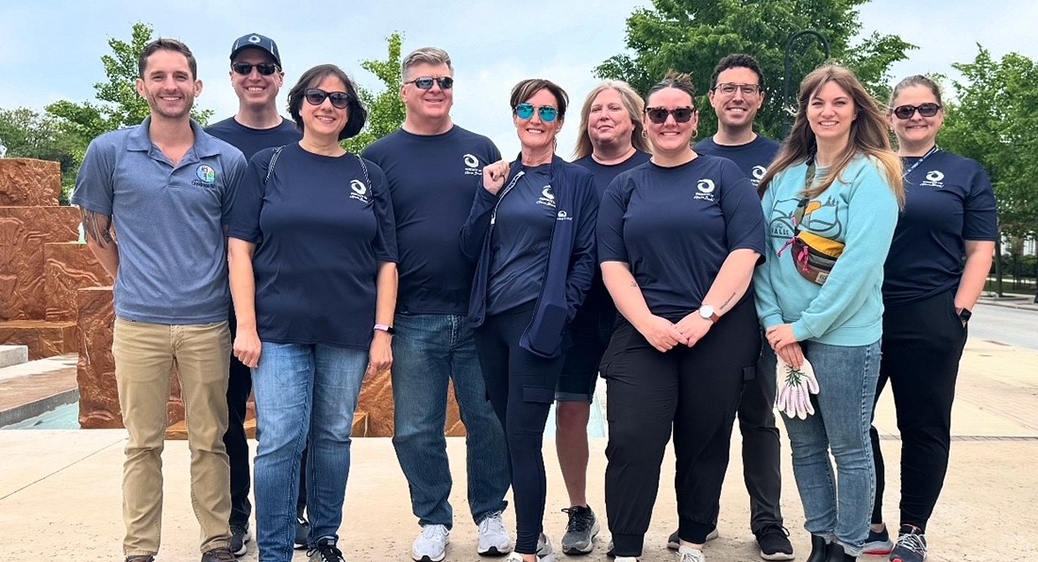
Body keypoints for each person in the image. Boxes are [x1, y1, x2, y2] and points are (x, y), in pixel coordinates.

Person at [72, 38, 246, 562]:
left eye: (180, 77)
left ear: (197, 87)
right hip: (139, 323)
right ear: (142, 86)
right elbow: (96, 229)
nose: (170, 86)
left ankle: (216, 540)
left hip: (207, 323)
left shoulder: (227, 159)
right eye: (160, 76)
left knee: (209, 441)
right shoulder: (109, 151)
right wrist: (130, 282)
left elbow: (236, 245)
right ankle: (140, 549)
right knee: (141, 444)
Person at [228, 64, 397, 562]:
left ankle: (324, 538)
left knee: (331, 438)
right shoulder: (267, 164)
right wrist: (247, 327)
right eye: (318, 96)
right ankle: (275, 551)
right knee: (280, 440)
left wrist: (382, 331)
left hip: (346, 331)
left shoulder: (368, 175)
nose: (328, 106)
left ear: (351, 112)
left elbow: (388, 261)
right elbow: (240, 250)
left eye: (340, 99)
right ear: (299, 103)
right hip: (277, 331)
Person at [597, 71, 766, 562]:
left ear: (695, 120)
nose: (669, 121)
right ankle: (626, 546)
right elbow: (612, 264)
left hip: (716, 330)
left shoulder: (723, 176)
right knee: (632, 439)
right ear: (643, 123)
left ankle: (692, 539)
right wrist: (648, 323)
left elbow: (746, 251)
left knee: (704, 438)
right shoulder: (625, 187)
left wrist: (706, 314)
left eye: (681, 113)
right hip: (642, 330)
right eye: (658, 113)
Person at [362, 47, 513, 562]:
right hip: (412, 318)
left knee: (488, 421)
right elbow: (373, 242)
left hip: (479, 315)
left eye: (444, 82)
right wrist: (378, 325)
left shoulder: (481, 148)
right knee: (414, 429)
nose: (435, 90)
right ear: (404, 90)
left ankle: (491, 513)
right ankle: (433, 519)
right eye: (424, 82)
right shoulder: (379, 158)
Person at [754, 64, 903, 562]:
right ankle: (821, 540)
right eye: (818, 102)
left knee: (850, 447)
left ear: (857, 108)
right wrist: (776, 325)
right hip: (786, 339)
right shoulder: (785, 175)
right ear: (806, 111)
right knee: (805, 447)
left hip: (845, 338)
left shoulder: (873, 173)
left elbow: (859, 266)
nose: (828, 111)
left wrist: (803, 327)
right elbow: (761, 255)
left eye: (839, 102)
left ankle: (848, 546)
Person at [460, 78, 597, 562]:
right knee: (507, 430)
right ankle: (533, 531)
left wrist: (558, 316)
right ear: (514, 116)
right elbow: (469, 249)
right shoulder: (500, 176)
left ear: (559, 122)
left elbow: (585, 256)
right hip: (489, 324)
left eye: (546, 112)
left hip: (537, 325)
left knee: (522, 435)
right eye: (526, 110)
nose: (534, 120)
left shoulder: (574, 180)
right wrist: (483, 196)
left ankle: (526, 549)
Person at [865, 75, 996, 562]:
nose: (916, 117)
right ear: (889, 116)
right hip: (864, 314)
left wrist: (959, 309)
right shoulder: (870, 167)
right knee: (851, 421)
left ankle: (912, 529)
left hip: (931, 314)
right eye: (905, 110)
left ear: (941, 114)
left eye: (926, 109)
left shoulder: (964, 173)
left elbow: (980, 248)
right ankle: (871, 519)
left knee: (923, 425)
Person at [205, 32, 305, 557]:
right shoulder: (211, 142)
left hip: (289, 305)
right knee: (227, 421)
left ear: (280, 77)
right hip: (223, 308)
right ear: (232, 78)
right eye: (244, 67)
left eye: (265, 67)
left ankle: (294, 513)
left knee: (291, 423)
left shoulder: (303, 138)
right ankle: (237, 517)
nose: (255, 76)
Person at [694, 54, 793, 561]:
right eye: (727, 87)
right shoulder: (687, 154)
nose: (737, 96)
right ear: (712, 97)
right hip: (702, 311)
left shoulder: (785, 159)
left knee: (758, 421)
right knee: (704, 421)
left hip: (762, 310)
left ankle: (768, 523)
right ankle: (700, 519)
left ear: (759, 99)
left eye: (748, 89)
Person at [556, 79, 650, 555]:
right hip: (576, 313)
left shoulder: (656, 171)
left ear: (635, 119)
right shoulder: (567, 175)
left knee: (631, 423)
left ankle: (630, 518)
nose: (603, 115)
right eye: (595, 109)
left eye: (614, 108)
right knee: (570, 410)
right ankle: (580, 511)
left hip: (636, 314)